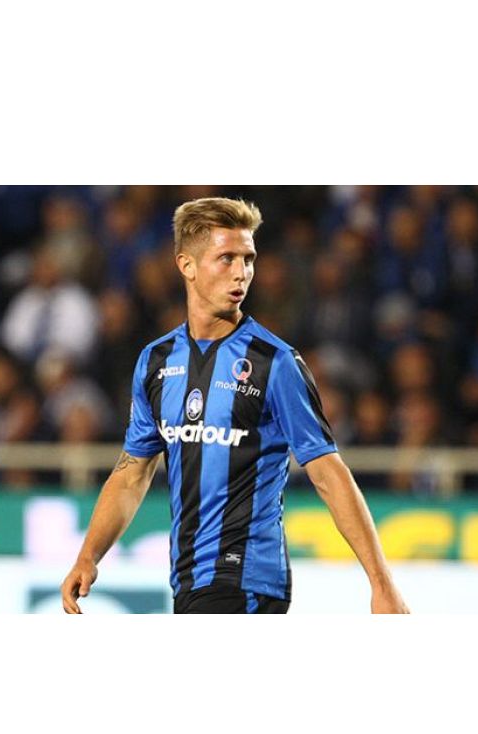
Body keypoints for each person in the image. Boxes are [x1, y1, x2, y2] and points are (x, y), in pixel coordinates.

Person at [61, 197, 409, 614]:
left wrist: (381, 583)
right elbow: (131, 473)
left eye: (248, 259)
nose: (241, 272)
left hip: (248, 580)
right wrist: (88, 556)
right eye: (226, 258)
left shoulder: (275, 363)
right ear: (187, 265)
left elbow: (328, 473)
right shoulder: (156, 362)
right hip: (188, 580)